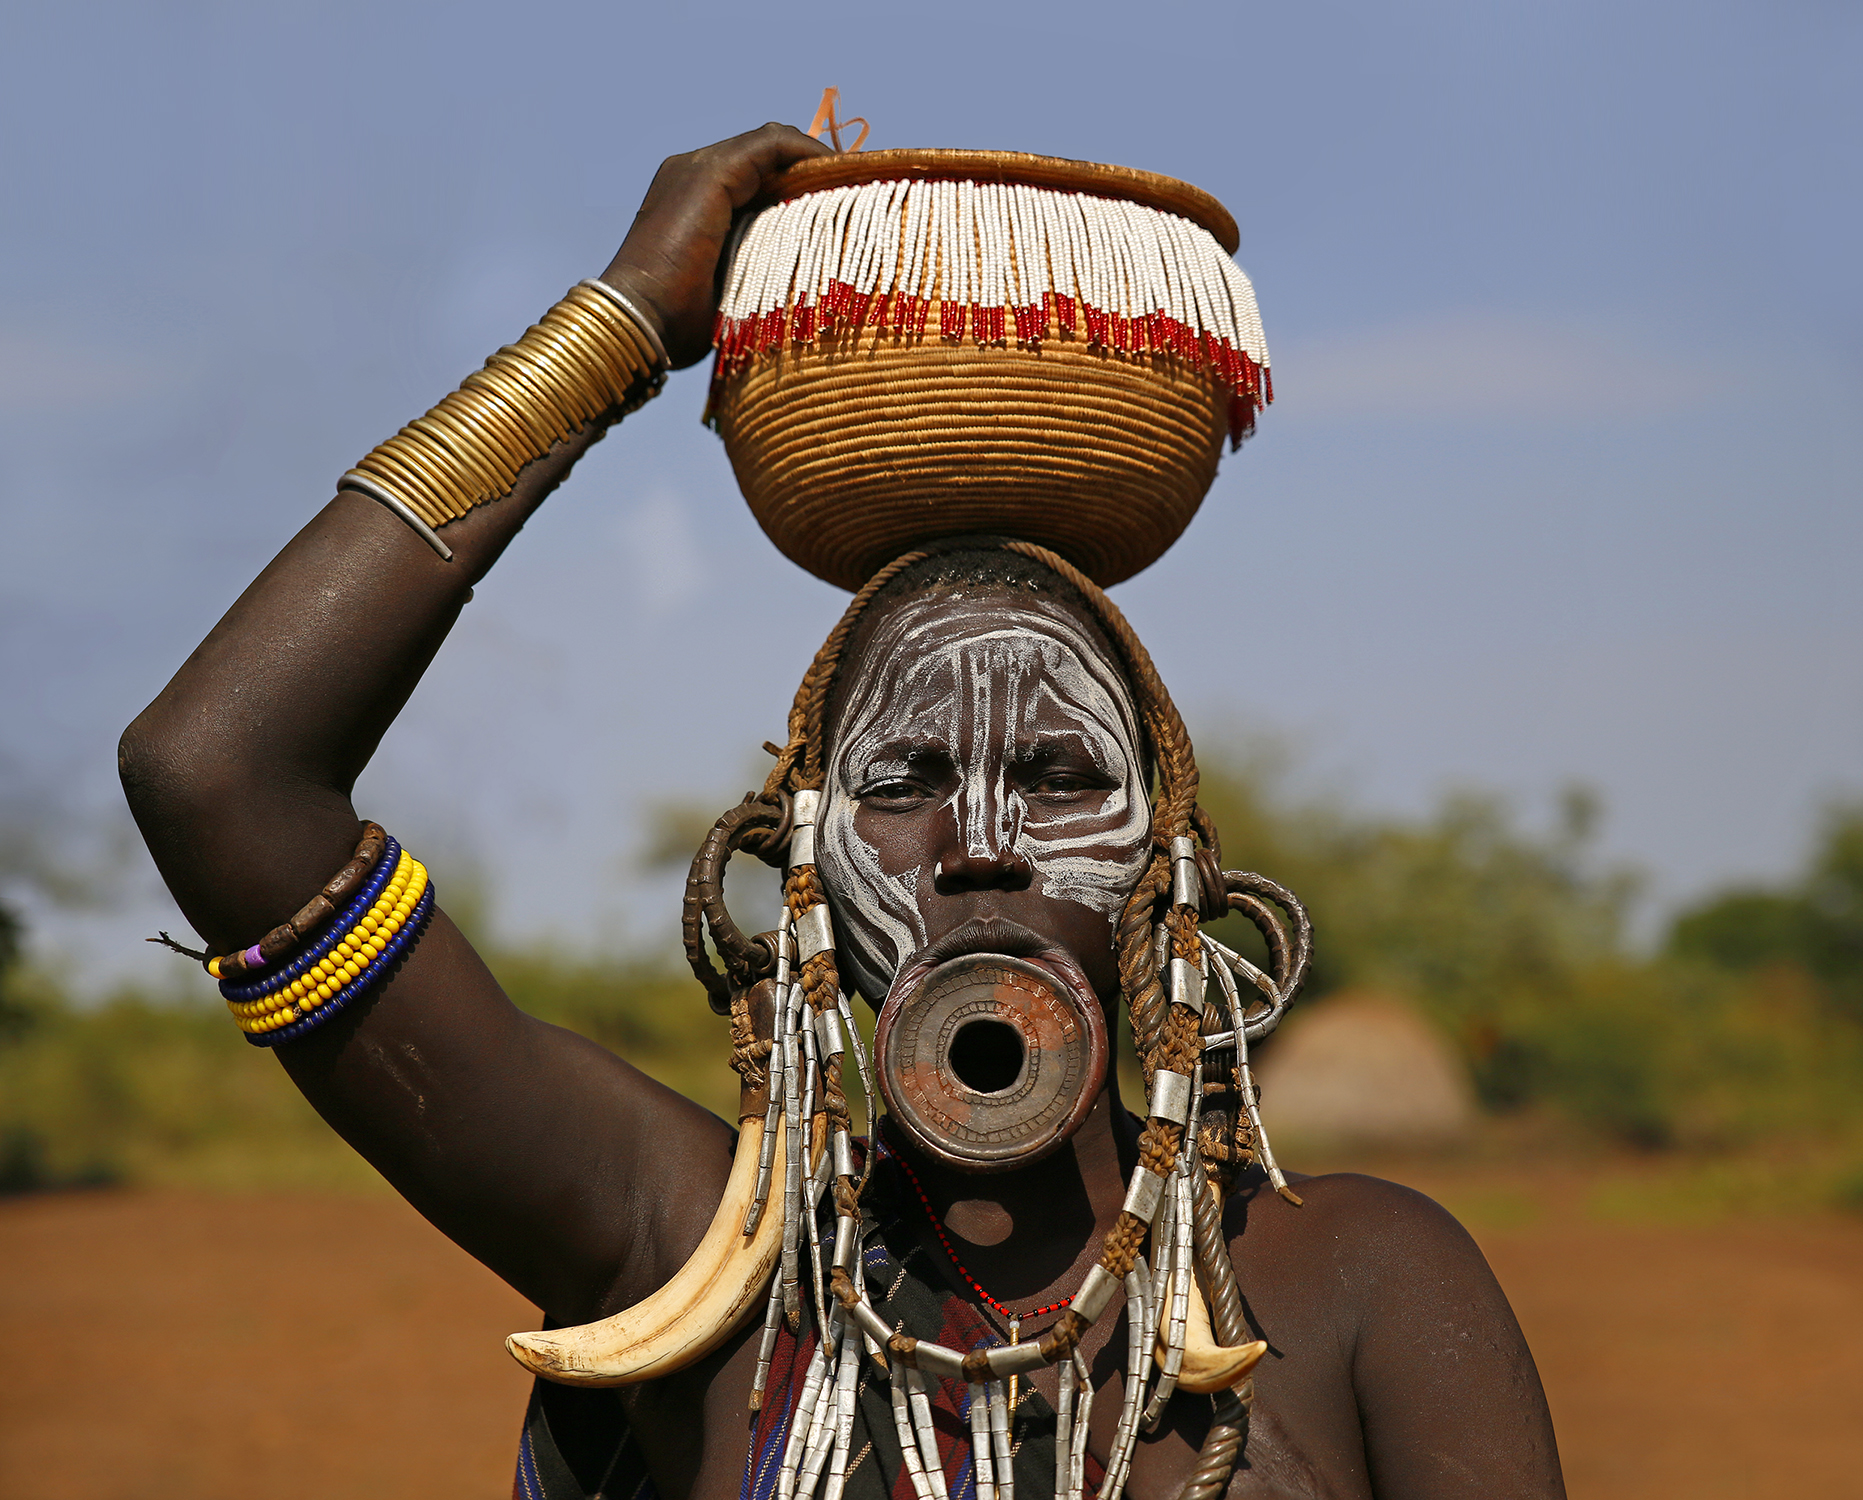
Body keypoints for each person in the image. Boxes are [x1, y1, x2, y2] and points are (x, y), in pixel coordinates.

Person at [120, 123, 1566, 1500]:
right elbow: (219, 778)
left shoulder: (1364, 1279)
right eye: (901, 784)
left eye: (1061, 777)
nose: (983, 843)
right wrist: (620, 327)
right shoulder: (692, 1260)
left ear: (1172, 867)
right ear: (795, 867)